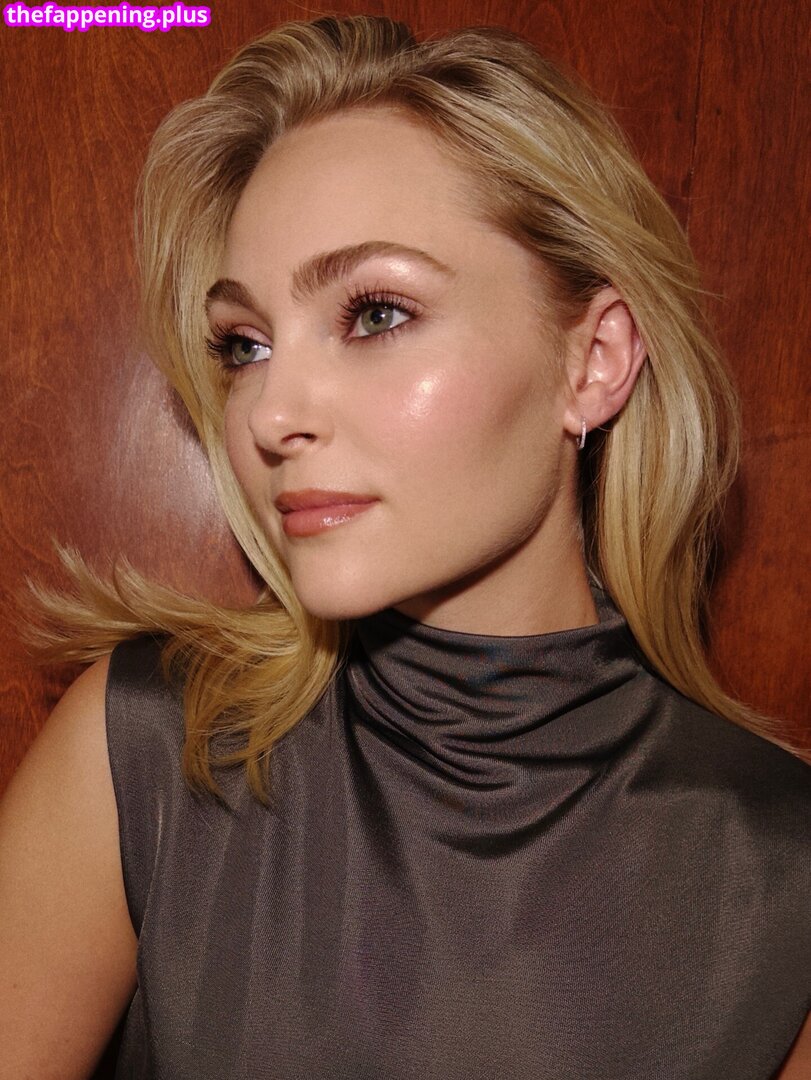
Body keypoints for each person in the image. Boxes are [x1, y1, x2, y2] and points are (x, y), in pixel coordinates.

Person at [0, 13, 808, 1079]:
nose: (270, 413)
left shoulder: (778, 867)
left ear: (594, 361)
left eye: (375, 314)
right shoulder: (145, 754)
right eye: (245, 344)